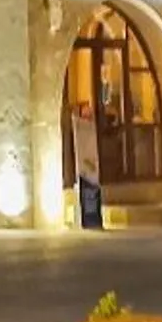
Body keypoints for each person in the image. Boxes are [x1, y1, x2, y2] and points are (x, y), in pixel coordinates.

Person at [71, 99, 104, 232]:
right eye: (86, 111)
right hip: (85, 168)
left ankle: (95, 219)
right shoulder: (80, 126)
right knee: (88, 193)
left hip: (93, 169)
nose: (89, 113)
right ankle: (88, 220)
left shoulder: (92, 127)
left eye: (90, 111)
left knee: (94, 193)